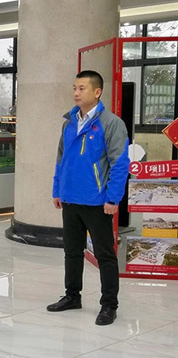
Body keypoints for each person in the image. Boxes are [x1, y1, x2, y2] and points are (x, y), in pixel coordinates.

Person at [48, 70, 130, 326]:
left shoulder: (111, 123)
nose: (76, 93)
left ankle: (109, 305)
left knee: (105, 255)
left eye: (82, 88)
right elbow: (61, 159)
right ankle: (72, 296)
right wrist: (57, 190)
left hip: (97, 201)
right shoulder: (69, 123)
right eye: (75, 87)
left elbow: (120, 163)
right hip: (70, 199)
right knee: (72, 252)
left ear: (97, 92)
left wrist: (113, 198)